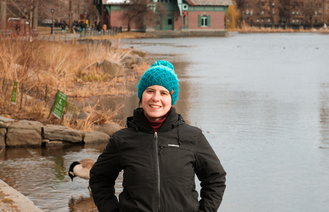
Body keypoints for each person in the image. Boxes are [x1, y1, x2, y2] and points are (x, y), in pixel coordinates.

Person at [89, 60, 226, 212]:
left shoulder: (192, 136)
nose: (156, 98)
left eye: (163, 93)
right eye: (150, 91)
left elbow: (215, 179)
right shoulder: (121, 139)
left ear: (171, 100)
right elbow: (99, 179)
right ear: (141, 96)